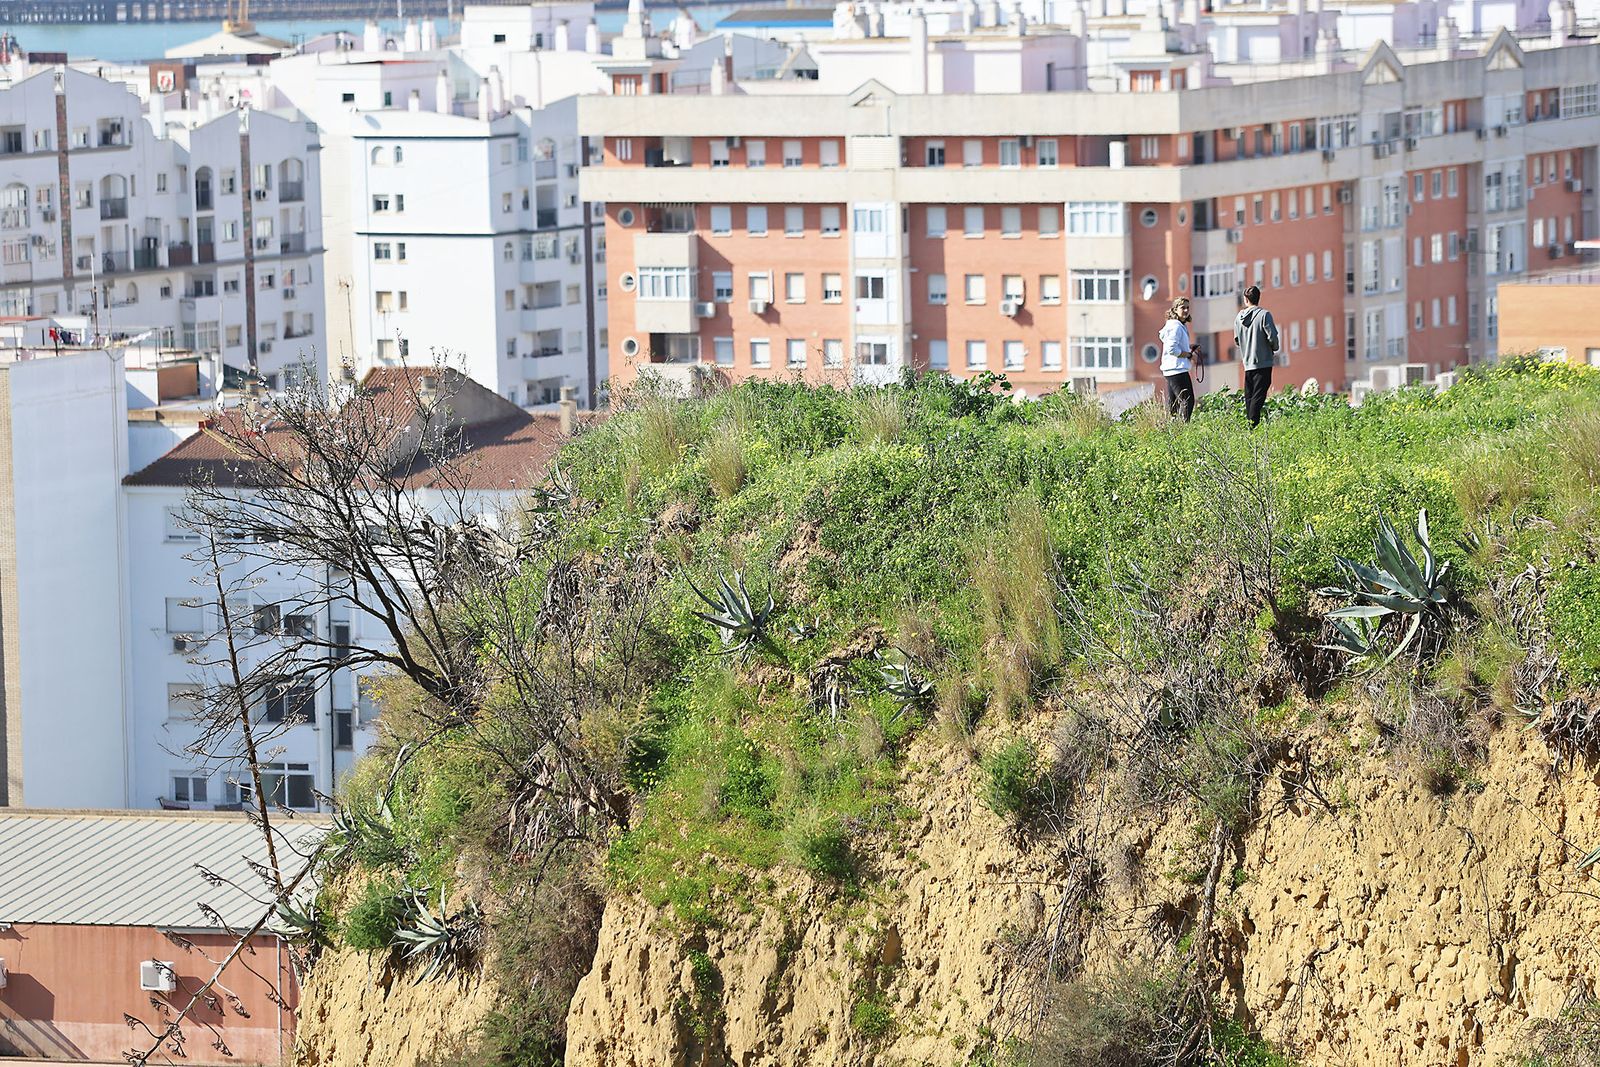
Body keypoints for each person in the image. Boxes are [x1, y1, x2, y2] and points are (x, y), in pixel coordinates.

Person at [1234, 285, 1280, 428]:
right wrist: (1274, 347)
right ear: (1259, 298)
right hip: (1263, 362)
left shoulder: (1238, 318)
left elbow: (1237, 340)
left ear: (1245, 299)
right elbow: (1272, 337)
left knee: (1249, 396)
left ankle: (1249, 423)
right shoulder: (1264, 315)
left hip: (1247, 363)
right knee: (1259, 395)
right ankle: (1252, 425)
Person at [1159, 298, 1201, 421]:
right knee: (1187, 401)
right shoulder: (1176, 327)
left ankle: (1173, 429)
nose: (1186, 310)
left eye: (1187, 307)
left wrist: (1188, 348)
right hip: (1177, 369)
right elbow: (1172, 349)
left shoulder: (1175, 325)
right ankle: (1183, 429)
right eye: (1183, 308)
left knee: (1174, 404)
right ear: (1175, 309)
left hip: (1171, 369)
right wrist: (1188, 355)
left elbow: (1174, 346)